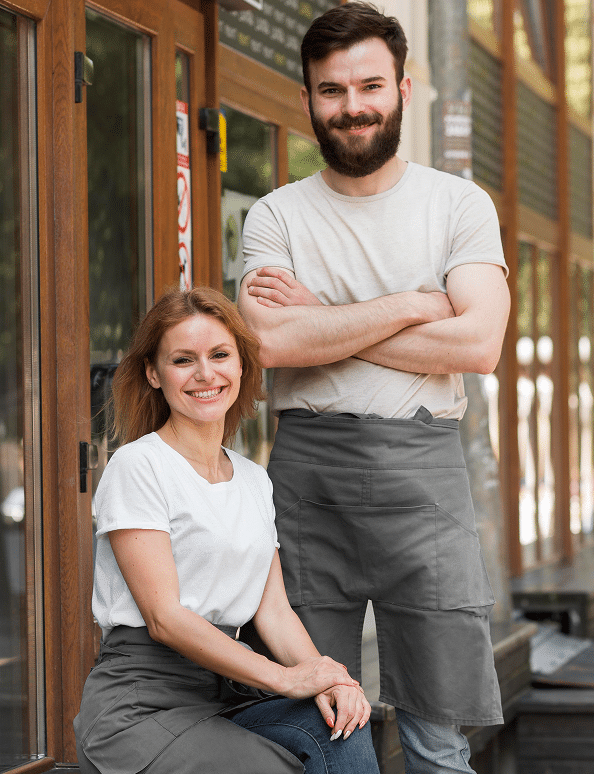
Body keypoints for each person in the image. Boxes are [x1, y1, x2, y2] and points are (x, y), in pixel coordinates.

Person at [237, 3, 511, 773]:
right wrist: (410, 308)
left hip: (423, 474)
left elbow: (478, 344)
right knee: (310, 717)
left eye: (368, 86)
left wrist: (327, 318)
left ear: (402, 89)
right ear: (306, 102)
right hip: (305, 477)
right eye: (330, 91)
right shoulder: (275, 216)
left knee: (434, 734)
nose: (351, 106)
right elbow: (271, 341)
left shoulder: (457, 205)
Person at [73, 287, 380, 774]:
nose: (205, 373)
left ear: (241, 367)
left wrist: (328, 680)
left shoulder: (254, 481)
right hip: (140, 706)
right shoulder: (139, 466)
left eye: (220, 355)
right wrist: (286, 680)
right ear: (153, 373)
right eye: (182, 359)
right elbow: (165, 619)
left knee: (341, 728)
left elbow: (274, 611)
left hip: (225, 695)